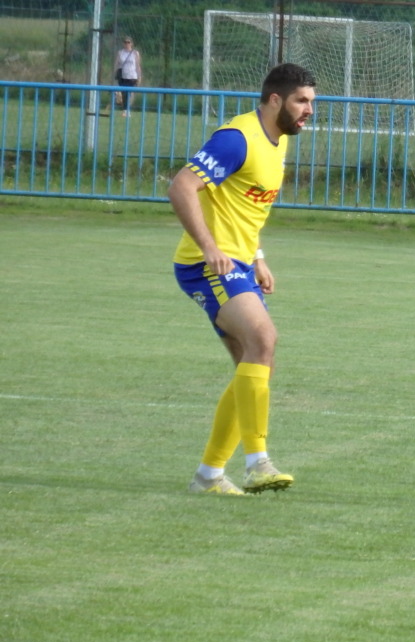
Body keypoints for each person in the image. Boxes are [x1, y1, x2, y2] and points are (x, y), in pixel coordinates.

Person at [169, 63, 316, 495]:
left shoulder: (279, 138)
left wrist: (258, 257)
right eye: (301, 101)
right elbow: (182, 187)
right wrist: (209, 247)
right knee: (263, 340)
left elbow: (241, 205)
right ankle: (258, 463)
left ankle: (208, 476)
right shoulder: (236, 139)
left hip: (239, 263)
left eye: (311, 102)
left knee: (253, 363)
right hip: (207, 265)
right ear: (275, 100)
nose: (309, 110)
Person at [114, 36, 142, 117]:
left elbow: (137, 65)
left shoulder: (135, 53)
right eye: (125, 42)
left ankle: (127, 109)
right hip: (123, 76)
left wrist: (139, 76)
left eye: (128, 42)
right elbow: (117, 64)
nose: (127, 44)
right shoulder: (120, 53)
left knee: (130, 93)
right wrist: (115, 72)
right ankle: (125, 110)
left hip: (133, 76)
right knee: (124, 93)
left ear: (131, 44)